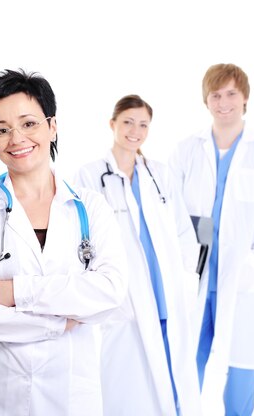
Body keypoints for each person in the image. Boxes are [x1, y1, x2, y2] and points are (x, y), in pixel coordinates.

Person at [0, 69, 127, 416]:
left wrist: (16, 292)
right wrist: (57, 320)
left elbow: (110, 292)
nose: (16, 138)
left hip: (68, 395)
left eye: (28, 124)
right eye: (1, 130)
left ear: (52, 126)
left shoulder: (90, 207)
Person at [74, 94, 202, 415]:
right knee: (130, 389)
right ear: (112, 124)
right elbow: (80, 241)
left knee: (175, 382)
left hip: (166, 294)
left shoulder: (159, 174)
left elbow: (185, 233)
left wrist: (188, 280)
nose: (135, 130)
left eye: (143, 124)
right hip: (124, 299)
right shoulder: (90, 176)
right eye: (128, 122)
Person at [168, 63, 254, 415]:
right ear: (206, 101)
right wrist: (189, 254)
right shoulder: (187, 149)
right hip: (197, 270)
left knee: (243, 364)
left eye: (231, 93)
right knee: (187, 361)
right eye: (215, 95)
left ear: (245, 97)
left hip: (241, 274)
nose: (223, 102)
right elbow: (171, 210)